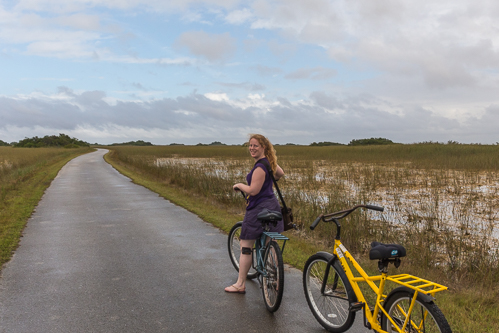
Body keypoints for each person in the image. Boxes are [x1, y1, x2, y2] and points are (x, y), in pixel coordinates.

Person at [225, 134, 284, 294]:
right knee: (269, 245)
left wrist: (239, 185)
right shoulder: (270, 163)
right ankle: (274, 280)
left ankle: (240, 284)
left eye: (255, 145)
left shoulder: (259, 167)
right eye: (250, 145)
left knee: (246, 246)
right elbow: (280, 174)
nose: (252, 148)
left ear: (263, 147)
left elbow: (253, 190)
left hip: (258, 208)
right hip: (273, 205)